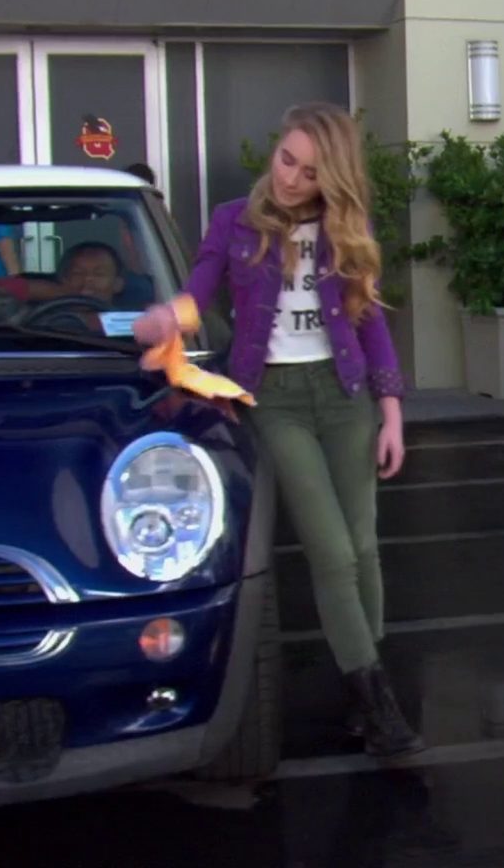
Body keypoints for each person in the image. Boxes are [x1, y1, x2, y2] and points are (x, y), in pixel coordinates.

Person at [131, 101, 420, 760]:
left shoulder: (346, 227)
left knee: (364, 548)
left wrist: (392, 411)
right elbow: (200, 288)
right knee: (333, 552)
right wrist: (168, 318)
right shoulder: (234, 219)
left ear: (332, 179)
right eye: (287, 159)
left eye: (310, 172)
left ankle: (360, 691)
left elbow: (369, 319)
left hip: (345, 396)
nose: (290, 178)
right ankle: (378, 702)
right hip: (275, 400)